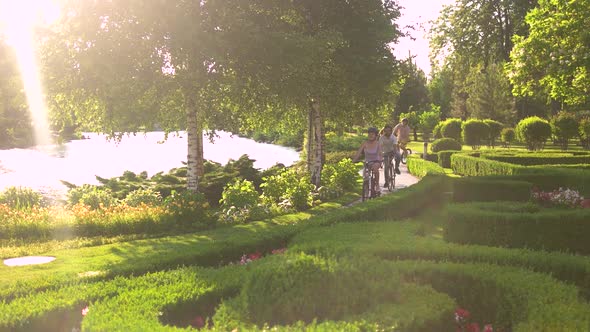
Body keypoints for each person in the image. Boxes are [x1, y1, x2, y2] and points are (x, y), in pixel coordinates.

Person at [353, 127, 382, 197]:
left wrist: (380, 161)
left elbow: (380, 154)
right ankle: (366, 188)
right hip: (367, 162)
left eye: (372, 134)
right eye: (369, 134)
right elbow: (358, 153)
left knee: (375, 169)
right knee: (365, 176)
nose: (370, 135)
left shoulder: (378, 144)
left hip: (376, 161)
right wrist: (353, 161)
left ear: (376, 135)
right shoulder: (364, 143)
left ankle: (377, 185)